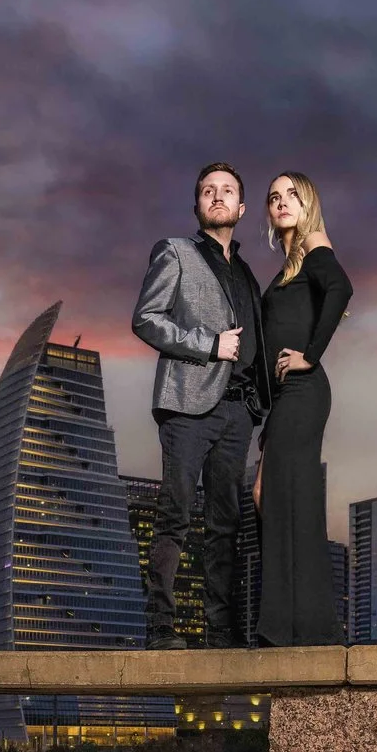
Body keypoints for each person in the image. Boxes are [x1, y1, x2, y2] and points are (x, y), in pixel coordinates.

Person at [132, 162, 267, 648]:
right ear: (197, 205)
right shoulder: (176, 252)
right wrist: (209, 345)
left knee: (225, 527)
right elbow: (146, 319)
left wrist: (258, 408)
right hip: (187, 405)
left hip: (236, 413)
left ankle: (220, 633)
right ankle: (161, 628)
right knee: (175, 515)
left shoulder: (248, 275)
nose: (217, 196)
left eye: (227, 191)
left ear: (241, 207)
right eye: (207, 190)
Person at [253, 171, 352, 647]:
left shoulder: (315, 244)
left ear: (308, 200)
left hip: (306, 388)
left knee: (291, 502)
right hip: (283, 400)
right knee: (266, 496)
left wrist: (309, 354)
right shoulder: (288, 264)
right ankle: (288, 626)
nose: (281, 202)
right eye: (274, 197)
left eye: (292, 193)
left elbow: (341, 290)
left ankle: (301, 630)